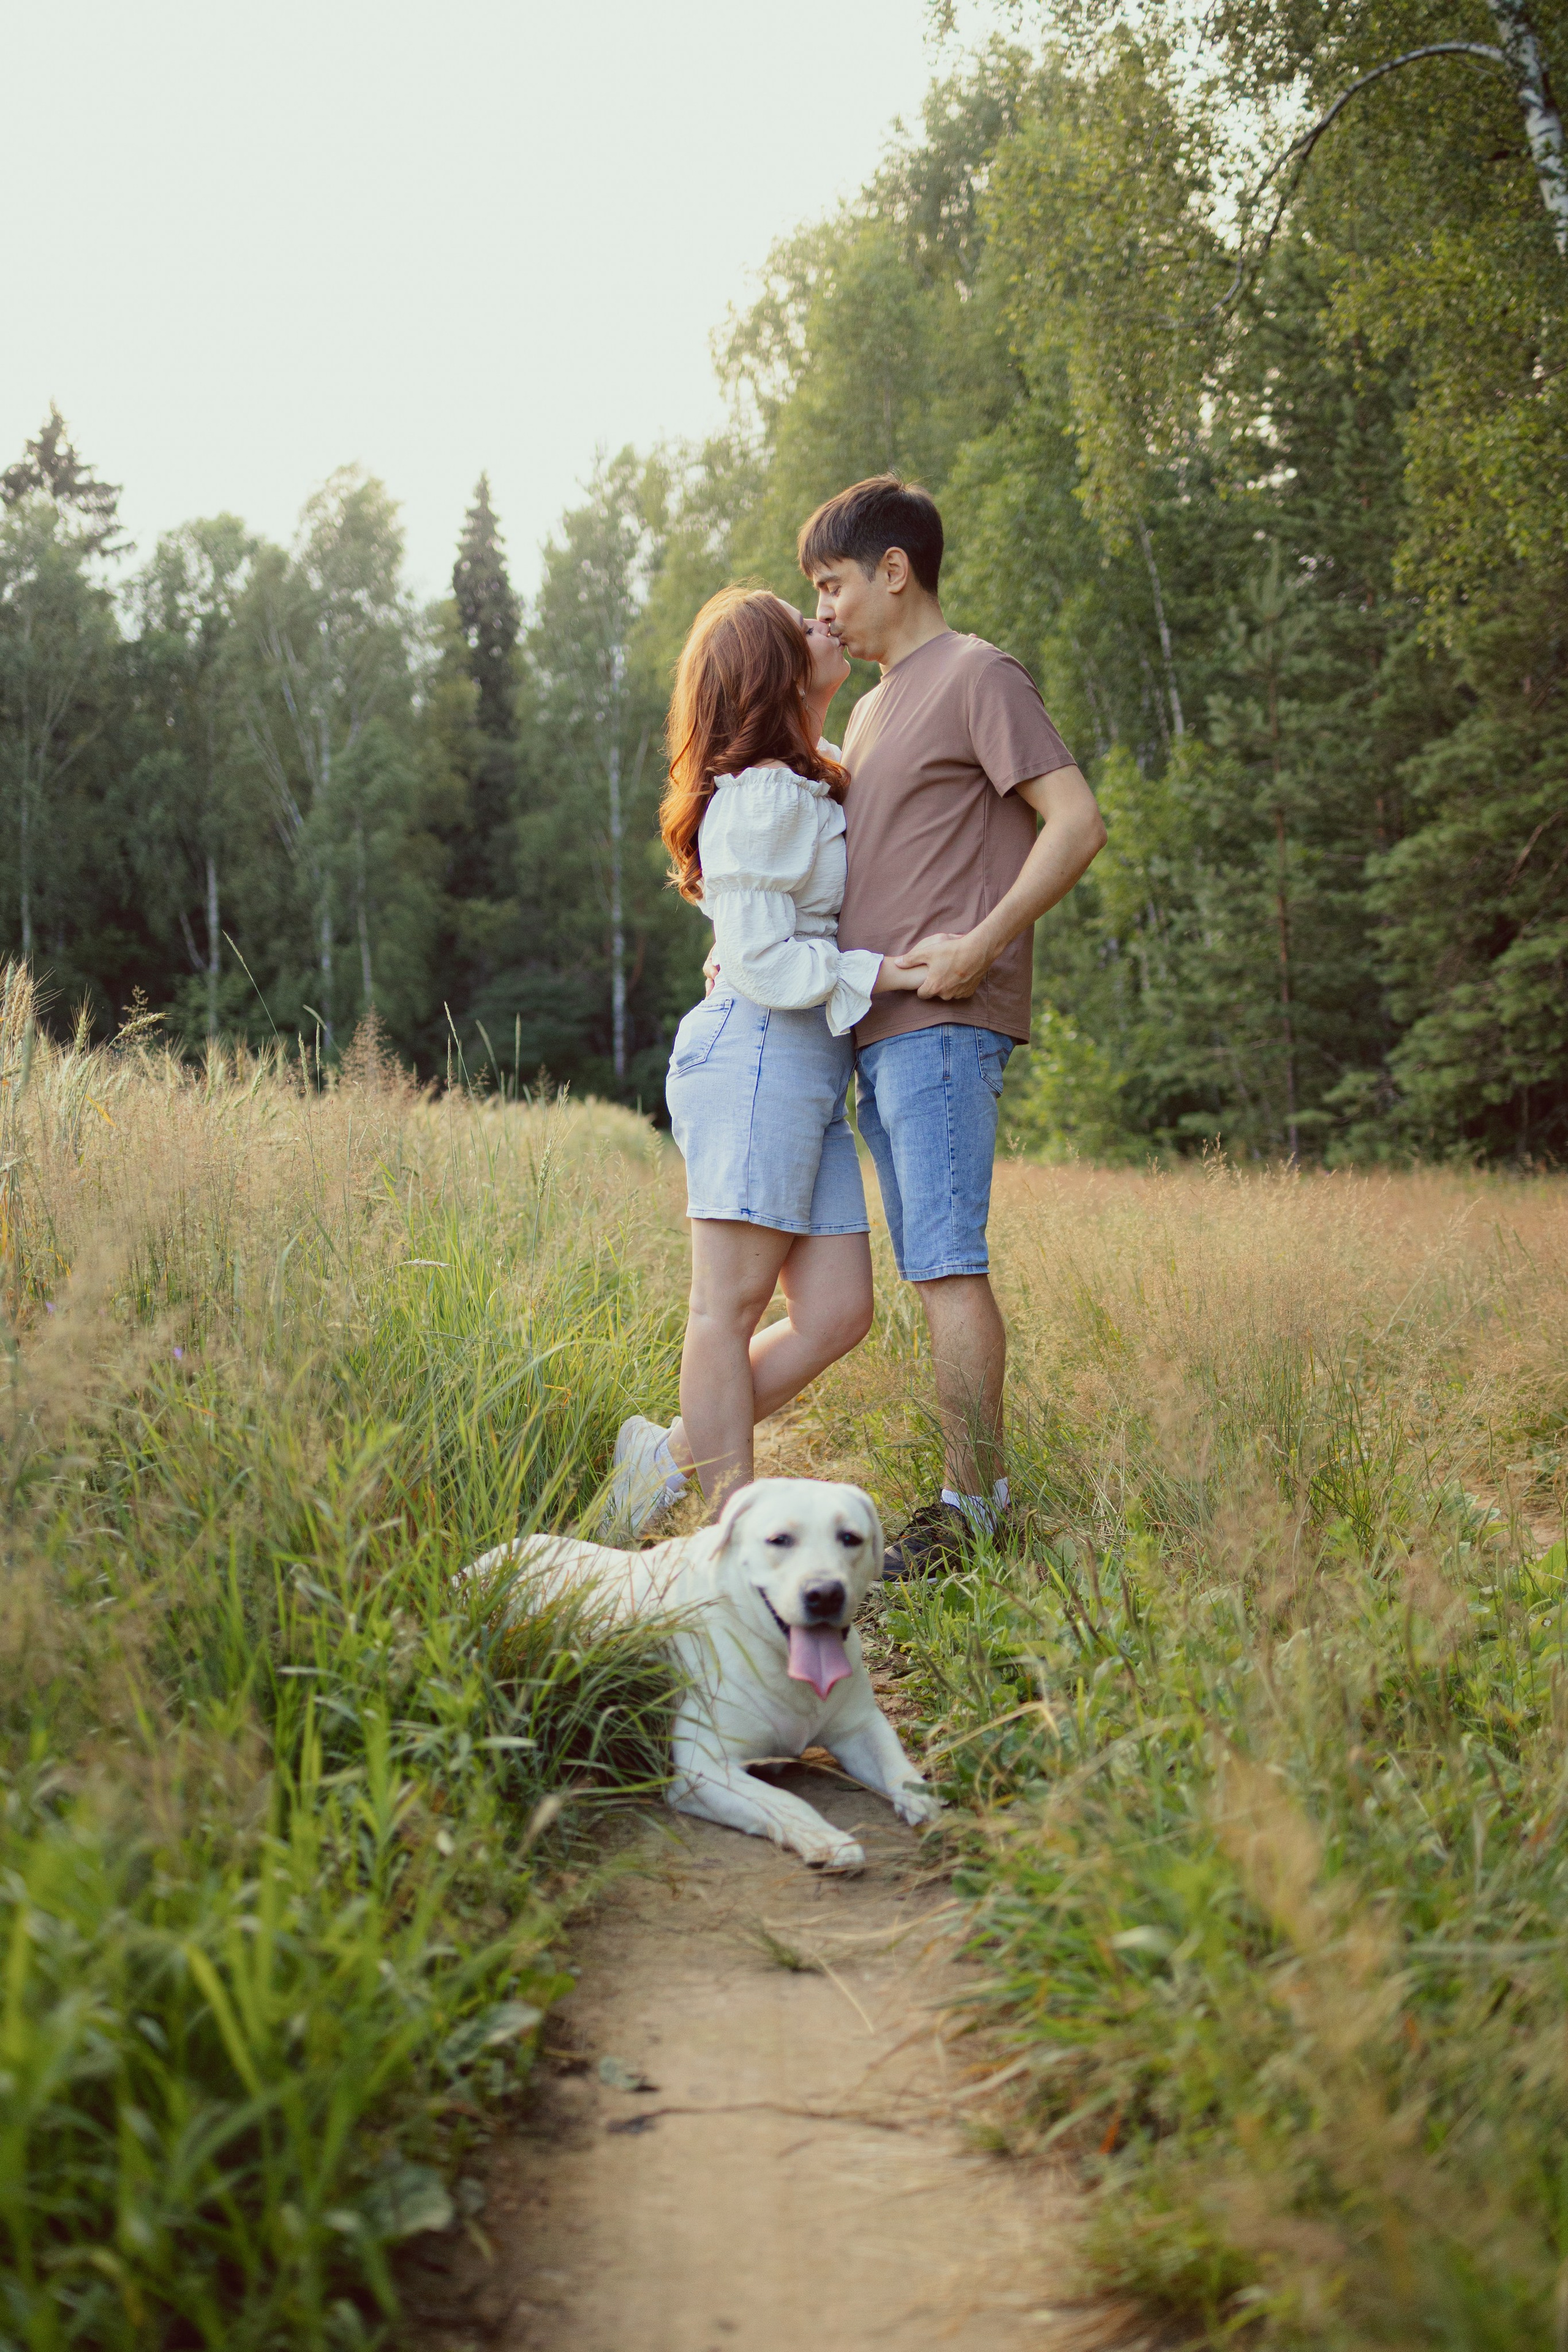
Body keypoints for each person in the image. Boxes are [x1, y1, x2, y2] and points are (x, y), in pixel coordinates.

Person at [797, 475, 1106, 1578]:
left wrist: (982, 943)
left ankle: (975, 1509)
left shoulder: (978, 673)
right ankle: (968, 1499)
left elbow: (1076, 822)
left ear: (895, 569)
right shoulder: (873, 706)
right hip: (870, 1031)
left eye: (832, 584)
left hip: (939, 1023)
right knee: (929, 1264)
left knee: (945, 1264)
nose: (822, 610)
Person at [605, 584, 928, 1533]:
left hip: (806, 1067)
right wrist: (889, 972)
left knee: (837, 1315)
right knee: (728, 1308)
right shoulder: (761, 797)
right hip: (754, 1057)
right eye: (803, 625)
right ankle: (730, 1540)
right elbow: (759, 957)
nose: (824, 624)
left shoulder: (818, 771)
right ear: (771, 671)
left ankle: (661, 1457)